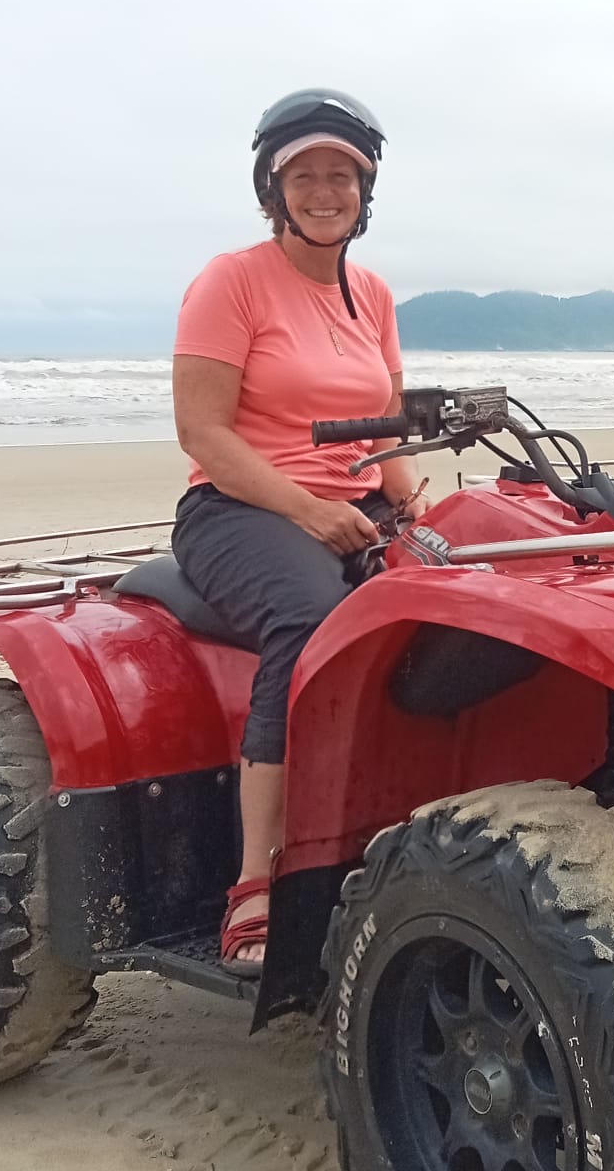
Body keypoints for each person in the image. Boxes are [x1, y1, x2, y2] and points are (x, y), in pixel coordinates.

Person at [170, 89, 430, 974]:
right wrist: (305, 509)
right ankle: (256, 880)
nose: (325, 192)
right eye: (305, 175)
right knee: (312, 620)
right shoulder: (232, 280)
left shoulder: (373, 292)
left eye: (342, 176)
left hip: (353, 508)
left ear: (366, 190)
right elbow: (203, 433)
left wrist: (419, 509)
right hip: (239, 509)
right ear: (271, 188)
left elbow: (386, 426)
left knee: (466, 591)